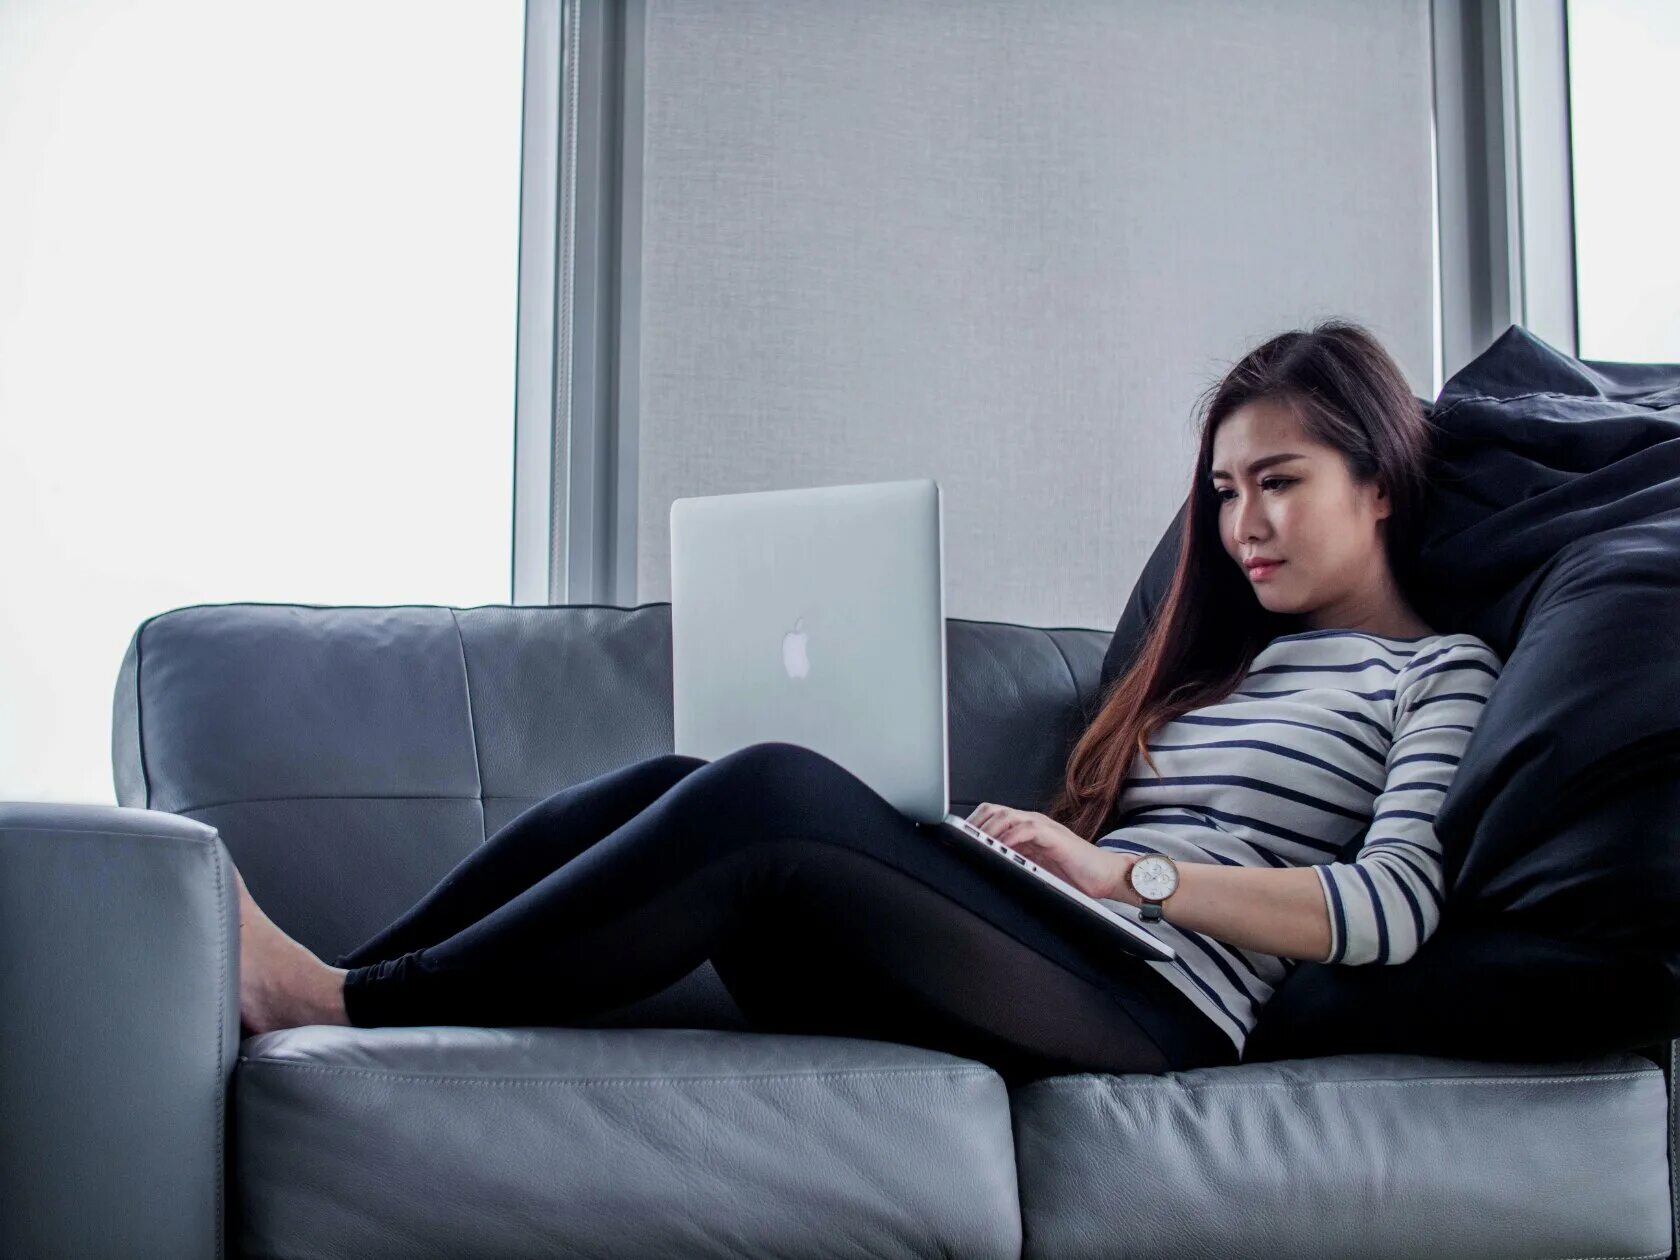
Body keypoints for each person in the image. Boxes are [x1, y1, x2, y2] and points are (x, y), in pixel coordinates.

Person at [235, 318, 1502, 1083]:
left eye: (1276, 481)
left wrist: (1129, 879)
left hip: (1164, 1010)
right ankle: (350, 981)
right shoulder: (1225, 667)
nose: (1241, 525)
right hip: (1061, 950)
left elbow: (1392, 910)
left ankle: (342, 1005)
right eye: (1221, 492)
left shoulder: (1438, 672)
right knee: (688, 783)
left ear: (1380, 481)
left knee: (772, 791)